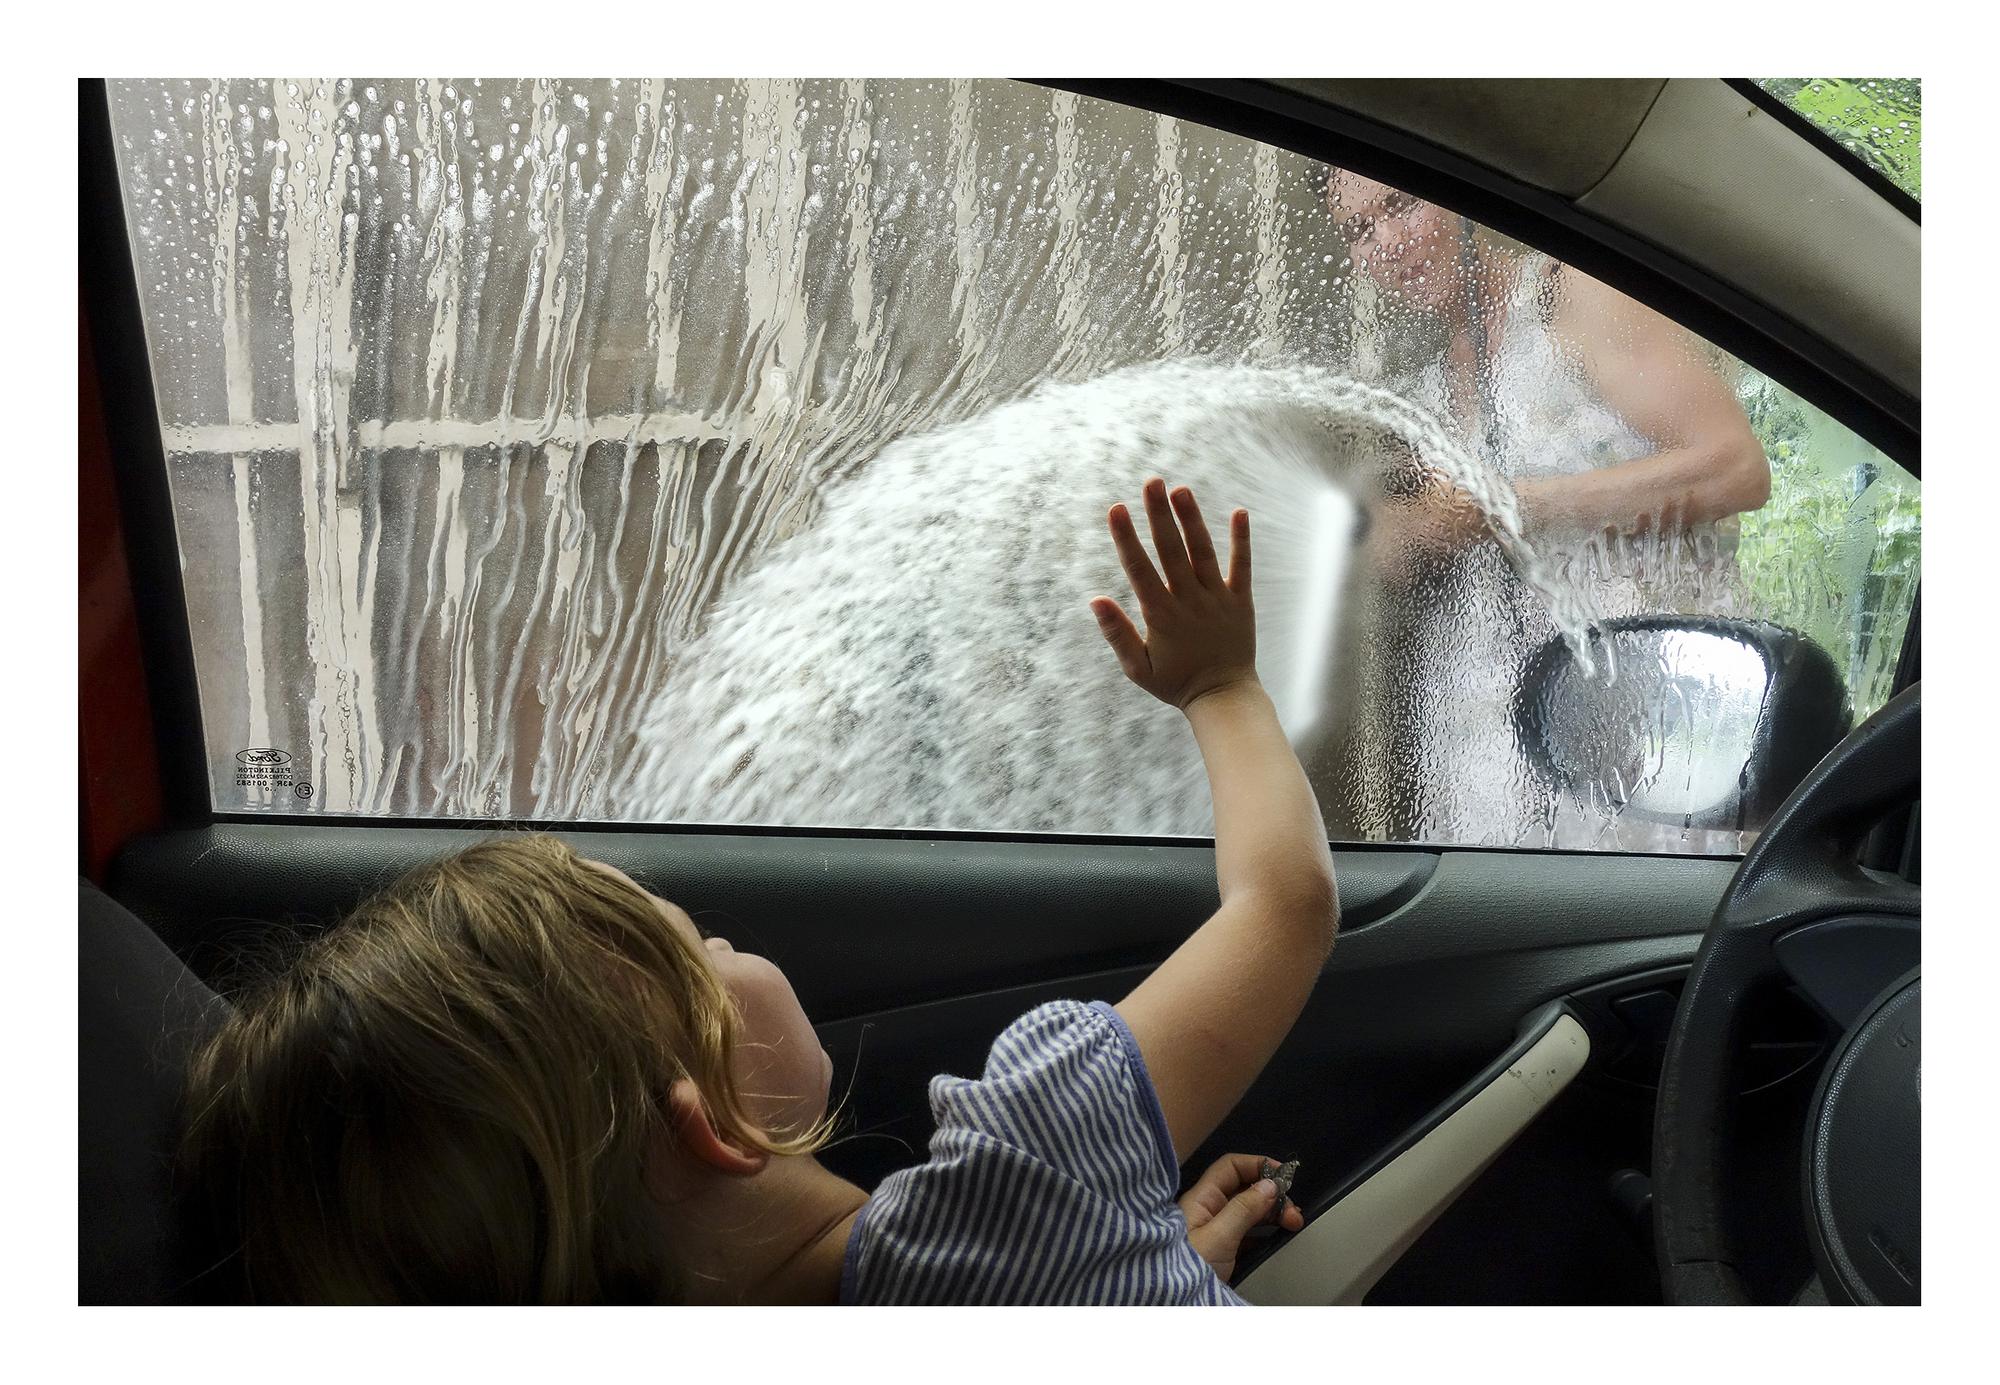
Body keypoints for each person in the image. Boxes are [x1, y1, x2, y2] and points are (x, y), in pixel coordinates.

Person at [178, 478, 1337, 1304]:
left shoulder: (1038, 1228)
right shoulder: (1036, 1153)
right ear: (710, 1127)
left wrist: (1145, 1264)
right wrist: (1220, 684)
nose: (725, 938)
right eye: (697, 946)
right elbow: (1284, 903)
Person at [1315, 171, 1773, 847]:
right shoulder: (1423, 398)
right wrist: (1395, 540)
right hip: (1492, 762)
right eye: (1359, 230)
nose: (1386, 240)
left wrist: (1510, 505)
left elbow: (1736, 469)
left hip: (1655, 728)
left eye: (1401, 203)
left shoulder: (1575, 297)